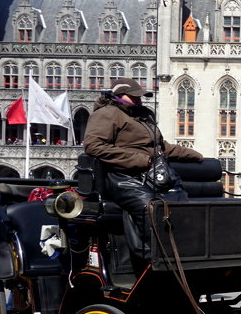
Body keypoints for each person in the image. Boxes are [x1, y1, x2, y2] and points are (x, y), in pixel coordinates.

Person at [83, 77, 203, 266]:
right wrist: (139, 160)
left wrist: (195, 155)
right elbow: (93, 146)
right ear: (119, 95)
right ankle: (152, 260)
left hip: (154, 175)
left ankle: (188, 255)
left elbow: (161, 147)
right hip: (123, 178)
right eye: (134, 97)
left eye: (139, 97)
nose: (139, 100)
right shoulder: (107, 114)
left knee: (183, 208)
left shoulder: (143, 116)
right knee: (151, 210)